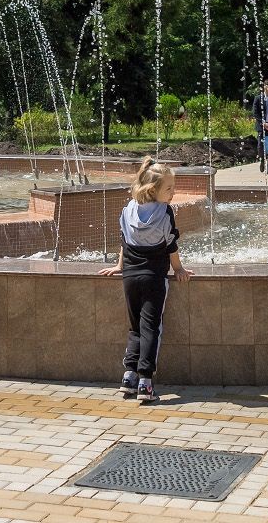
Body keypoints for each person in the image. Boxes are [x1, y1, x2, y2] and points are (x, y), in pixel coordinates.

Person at [99, 158, 192, 404]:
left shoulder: (128, 209)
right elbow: (171, 244)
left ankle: (128, 377)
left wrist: (119, 266)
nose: (173, 193)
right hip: (153, 278)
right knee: (151, 328)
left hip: (130, 277)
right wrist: (179, 269)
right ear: (153, 191)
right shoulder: (165, 213)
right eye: (169, 189)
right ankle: (146, 382)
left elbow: (124, 241)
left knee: (135, 327)